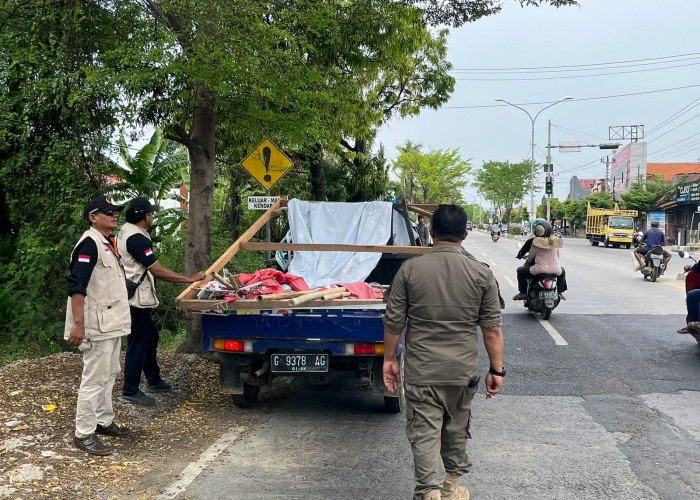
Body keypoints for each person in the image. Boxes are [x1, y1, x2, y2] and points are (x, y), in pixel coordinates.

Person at [383, 204, 505, 500]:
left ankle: (429, 493)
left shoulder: (410, 270)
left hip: (422, 371)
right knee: (456, 429)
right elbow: (492, 330)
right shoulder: (481, 274)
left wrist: (389, 359)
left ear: (432, 232)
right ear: (465, 234)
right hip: (461, 373)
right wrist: (496, 370)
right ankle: (450, 490)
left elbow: (394, 320)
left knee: (424, 433)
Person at [117, 197, 206, 406]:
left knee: (150, 337)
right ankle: (130, 390)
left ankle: (153, 380)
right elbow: (156, 269)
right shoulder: (137, 239)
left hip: (132, 297)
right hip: (136, 300)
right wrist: (189, 279)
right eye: (151, 214)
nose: (153, 217)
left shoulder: (125, 230)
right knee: (138, 343)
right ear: (145, 216)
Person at [65, 195, 132, 456]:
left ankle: (103, 421)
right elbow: (76, 288)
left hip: (111, 323)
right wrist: (78, 325)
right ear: (93, 217)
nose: (115, 215)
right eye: (108, 212)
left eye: (115, 212)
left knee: (111, 372)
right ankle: (83, 433)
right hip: (96, 325)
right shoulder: (89, 244)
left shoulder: (107, 242)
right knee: (94, 379)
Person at [513, 219, 568, 301]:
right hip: (556, 270)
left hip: (539, 270)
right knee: (562, 271)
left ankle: (523, 293)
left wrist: (525, 260)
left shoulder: (535, 242)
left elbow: (529, 258)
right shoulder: (554, 241)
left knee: (520, 271)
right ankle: (560, 292)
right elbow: (557, 256)